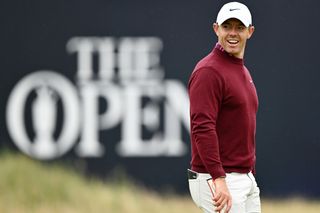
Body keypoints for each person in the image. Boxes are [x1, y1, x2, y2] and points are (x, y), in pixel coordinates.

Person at [187, 2, 261, 213]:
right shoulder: (208, 71)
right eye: (227, 26)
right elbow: (201, 127)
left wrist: (249, 173)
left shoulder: (242, 71)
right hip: (218, 178)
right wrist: (218, 178)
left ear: (250, 32)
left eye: (239, 27)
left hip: (243, 177)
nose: (233, 33)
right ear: (216, 29)